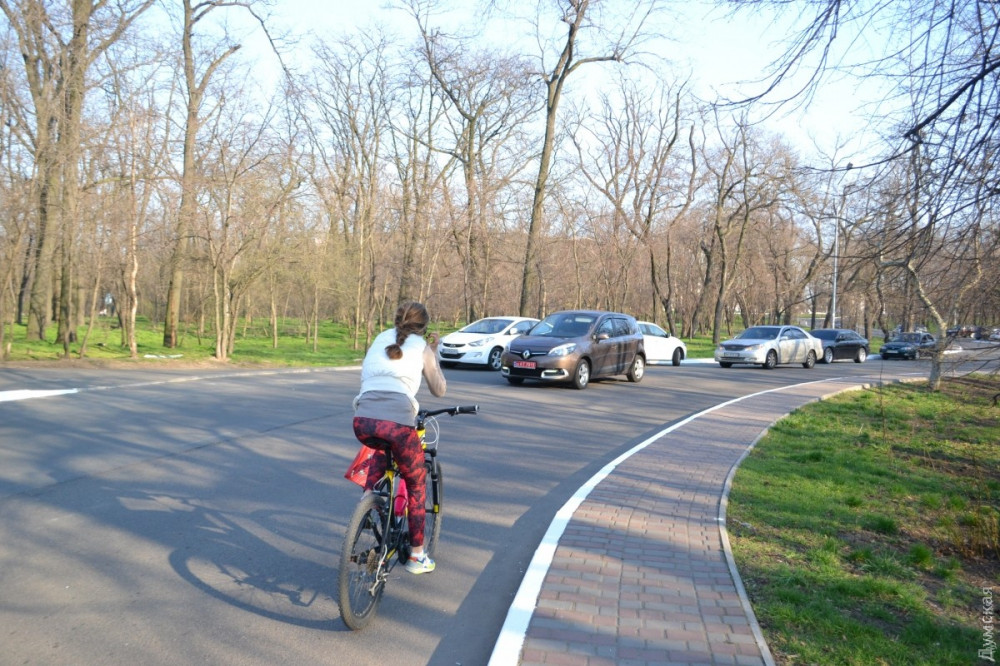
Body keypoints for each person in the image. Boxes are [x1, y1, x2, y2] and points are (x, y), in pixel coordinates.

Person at [352, 301, 447, 574]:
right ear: (424, 326)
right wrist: (433, 351)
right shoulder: (421, 347)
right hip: (398, 422)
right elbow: (439, 389)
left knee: (380, 448)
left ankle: (367, 503)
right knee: (416, 484)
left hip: (362, 420)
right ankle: (417, 556)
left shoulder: (380, 338)